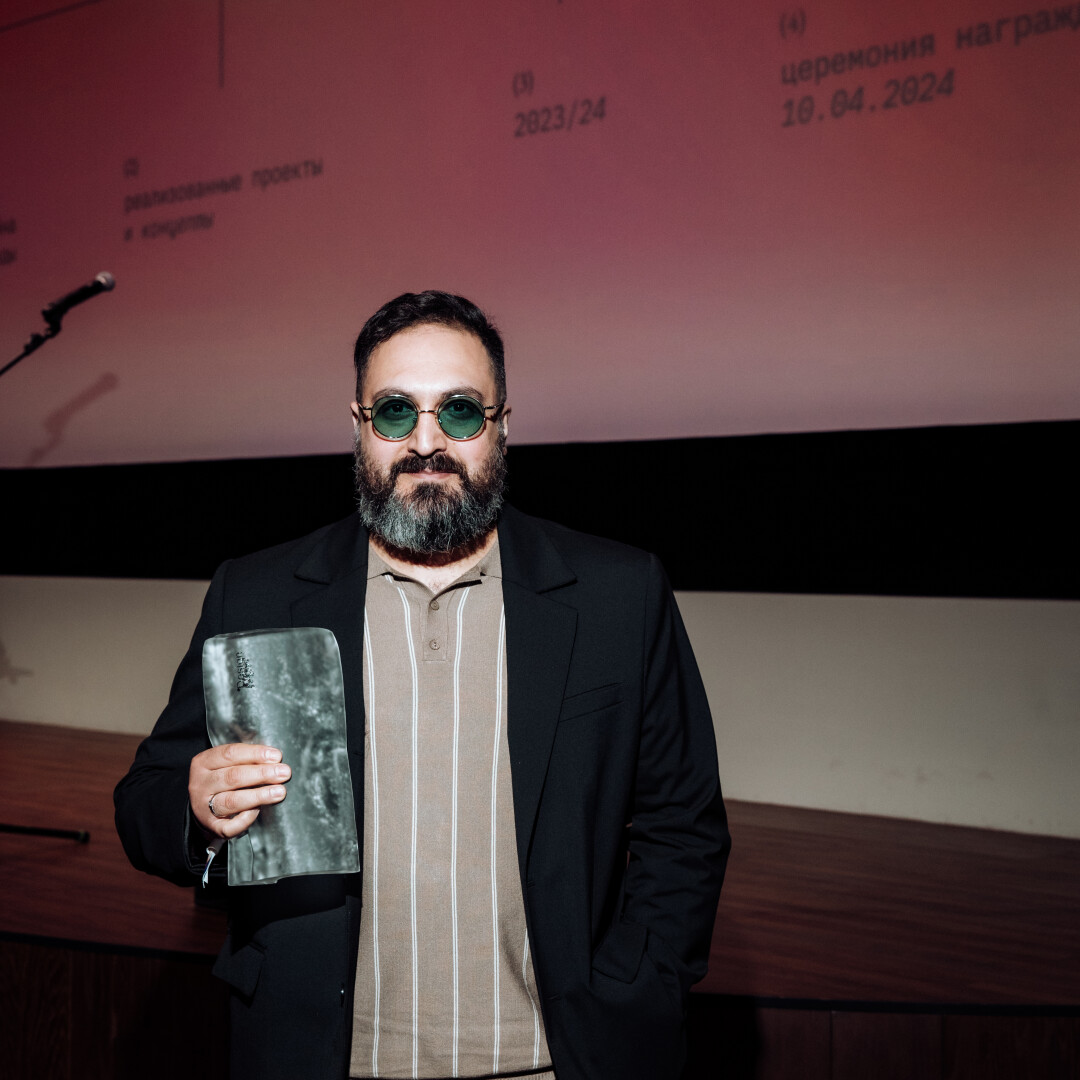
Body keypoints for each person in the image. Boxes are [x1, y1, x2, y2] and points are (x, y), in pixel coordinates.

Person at [115, 290, 729, 1080]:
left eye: (461, 412)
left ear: (503, 425)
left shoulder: (619, 596)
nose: (427, 442)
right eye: (396, 412)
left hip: (554, 1062)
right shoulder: (257, 593)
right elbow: (146, 802)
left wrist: (641, 985)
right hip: (322, 1060)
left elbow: (685, 830)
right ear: (359, 425)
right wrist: (196, 809)